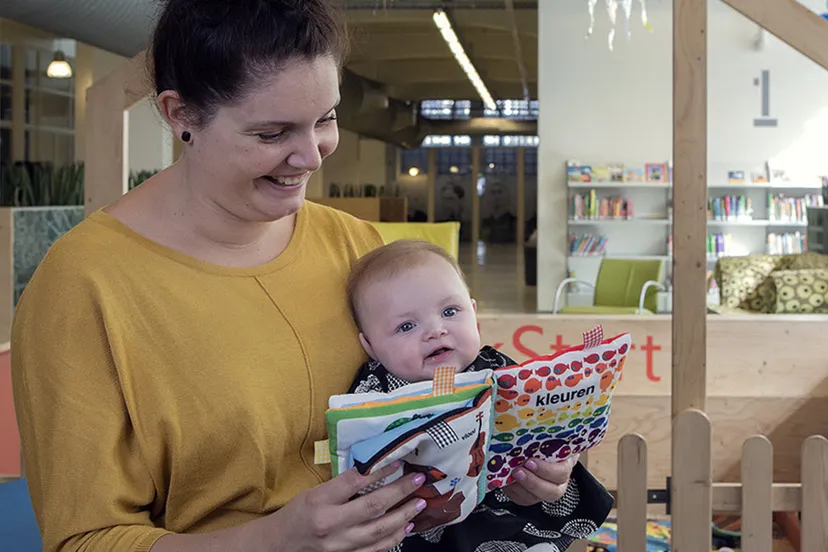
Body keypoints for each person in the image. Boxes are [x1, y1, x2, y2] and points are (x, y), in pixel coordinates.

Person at [9, 1, 584, 552]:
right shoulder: (85, 286)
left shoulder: (354, 247)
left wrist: (512, 464)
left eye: (326, 120)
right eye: (271, 134)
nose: (311, 156)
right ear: (179, 114)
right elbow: (86, 539)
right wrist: (273, 542)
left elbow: (437, 406)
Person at [345, 239, 614, 551]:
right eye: (406, 326)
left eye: (450, 311)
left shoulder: (496, 370)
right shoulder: (372, 392)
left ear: (474, 314)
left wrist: (552, 449)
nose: (435, 330)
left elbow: (541, 417)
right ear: (370, 346)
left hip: (503, 516)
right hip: (412, 529)